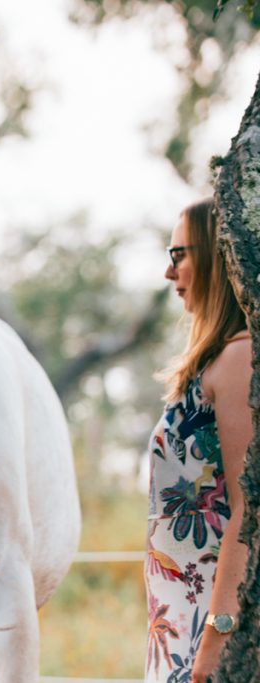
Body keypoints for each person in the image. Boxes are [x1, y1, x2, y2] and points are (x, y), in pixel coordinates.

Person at [145, 197, 251, 683]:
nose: (170, 273)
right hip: (177, 625)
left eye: (178, 255)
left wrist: (216, 637)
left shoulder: (240, 358)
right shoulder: (214, 362)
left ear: (215, 254)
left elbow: (248, 508)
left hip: (205, 628)